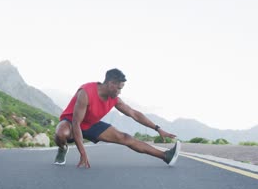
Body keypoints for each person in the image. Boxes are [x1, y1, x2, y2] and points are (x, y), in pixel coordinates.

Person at [53, 68, 181, 168]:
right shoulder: (86, 92)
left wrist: (157, 128)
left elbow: (134, 114)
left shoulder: (114, 100)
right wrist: (83, 153)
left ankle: (165, 156)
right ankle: (62, 148)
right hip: (71, 122)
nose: (120, 92)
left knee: (125, 138)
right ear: (110, 84)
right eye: (119, 88)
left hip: (91, 124)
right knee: (61, 133)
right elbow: (76, 123)